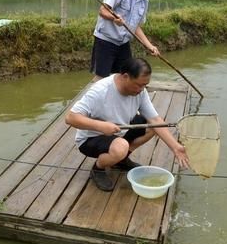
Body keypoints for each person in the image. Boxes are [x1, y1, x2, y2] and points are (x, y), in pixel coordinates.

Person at [65, 57, 190, 191]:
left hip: (119, 131)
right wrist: (101, 126)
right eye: (139, 85)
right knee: (121, 147)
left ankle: (120, 160)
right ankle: (98, 169)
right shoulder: (100, 91)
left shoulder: (140, 92)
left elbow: (155, 120)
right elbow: (70, 118)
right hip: (91, 138)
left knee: (154, 127)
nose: (142, 89)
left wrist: (175, 147)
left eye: (145, 85)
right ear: (125, 77)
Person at [91, 0, 164, 81]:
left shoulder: (144, 2)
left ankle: (118, 98)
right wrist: (114, 18)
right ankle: (95, 98)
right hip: (106, 40)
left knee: (126, 74)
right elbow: (103, 11)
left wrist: (149, 46)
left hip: (123, 43)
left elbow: (136, 27)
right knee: (101, 77)